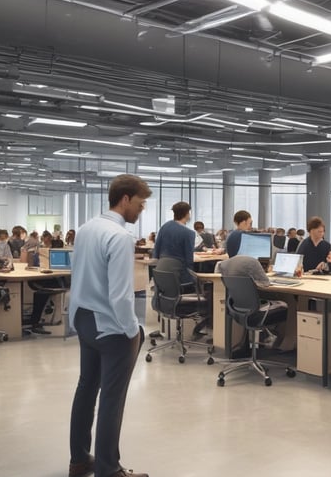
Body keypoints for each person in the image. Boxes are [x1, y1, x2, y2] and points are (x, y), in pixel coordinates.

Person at [68, 174, 152, 477]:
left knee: (86, 388)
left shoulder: (87, 229)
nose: (141, 210)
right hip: (111, 327)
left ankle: (79, 460)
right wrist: (133, 331)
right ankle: (108, 469)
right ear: (125, 199)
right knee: (112, 400)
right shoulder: (119, 237)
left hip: (84, 319)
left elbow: (78, 277)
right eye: (140, 204)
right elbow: (120, 295)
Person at [216, 254, 295, 351]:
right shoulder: (252, 263)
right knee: (288, 304)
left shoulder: (227, 264)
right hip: (254, 313)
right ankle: (286, 344)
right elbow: (265, 283)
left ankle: (281, 341)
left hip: (236, 310)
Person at [153, 202, 197, 288]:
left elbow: (156, 250)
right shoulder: (189, 233)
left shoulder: (164, 227)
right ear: (187, 214)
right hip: (178, 274)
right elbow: (189, 260)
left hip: (160, 270)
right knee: (200, 281)